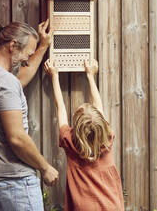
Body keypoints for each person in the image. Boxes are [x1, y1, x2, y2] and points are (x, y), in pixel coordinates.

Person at [0, 19, 58, 211]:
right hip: (15, 184)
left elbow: (18, 82)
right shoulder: (6, 83)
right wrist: (45, 167)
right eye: (27, 53)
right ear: (12, 45)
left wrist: (42, 47)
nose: (27, 59)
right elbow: (17, 138)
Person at [44, 58, 124, 211]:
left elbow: (60, 107)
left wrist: (54, 77)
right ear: (101, 125)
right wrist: (90, 76)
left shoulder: (69, 141)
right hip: (111, 205)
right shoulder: (107, 138)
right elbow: (98, 106)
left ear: (77, 128)